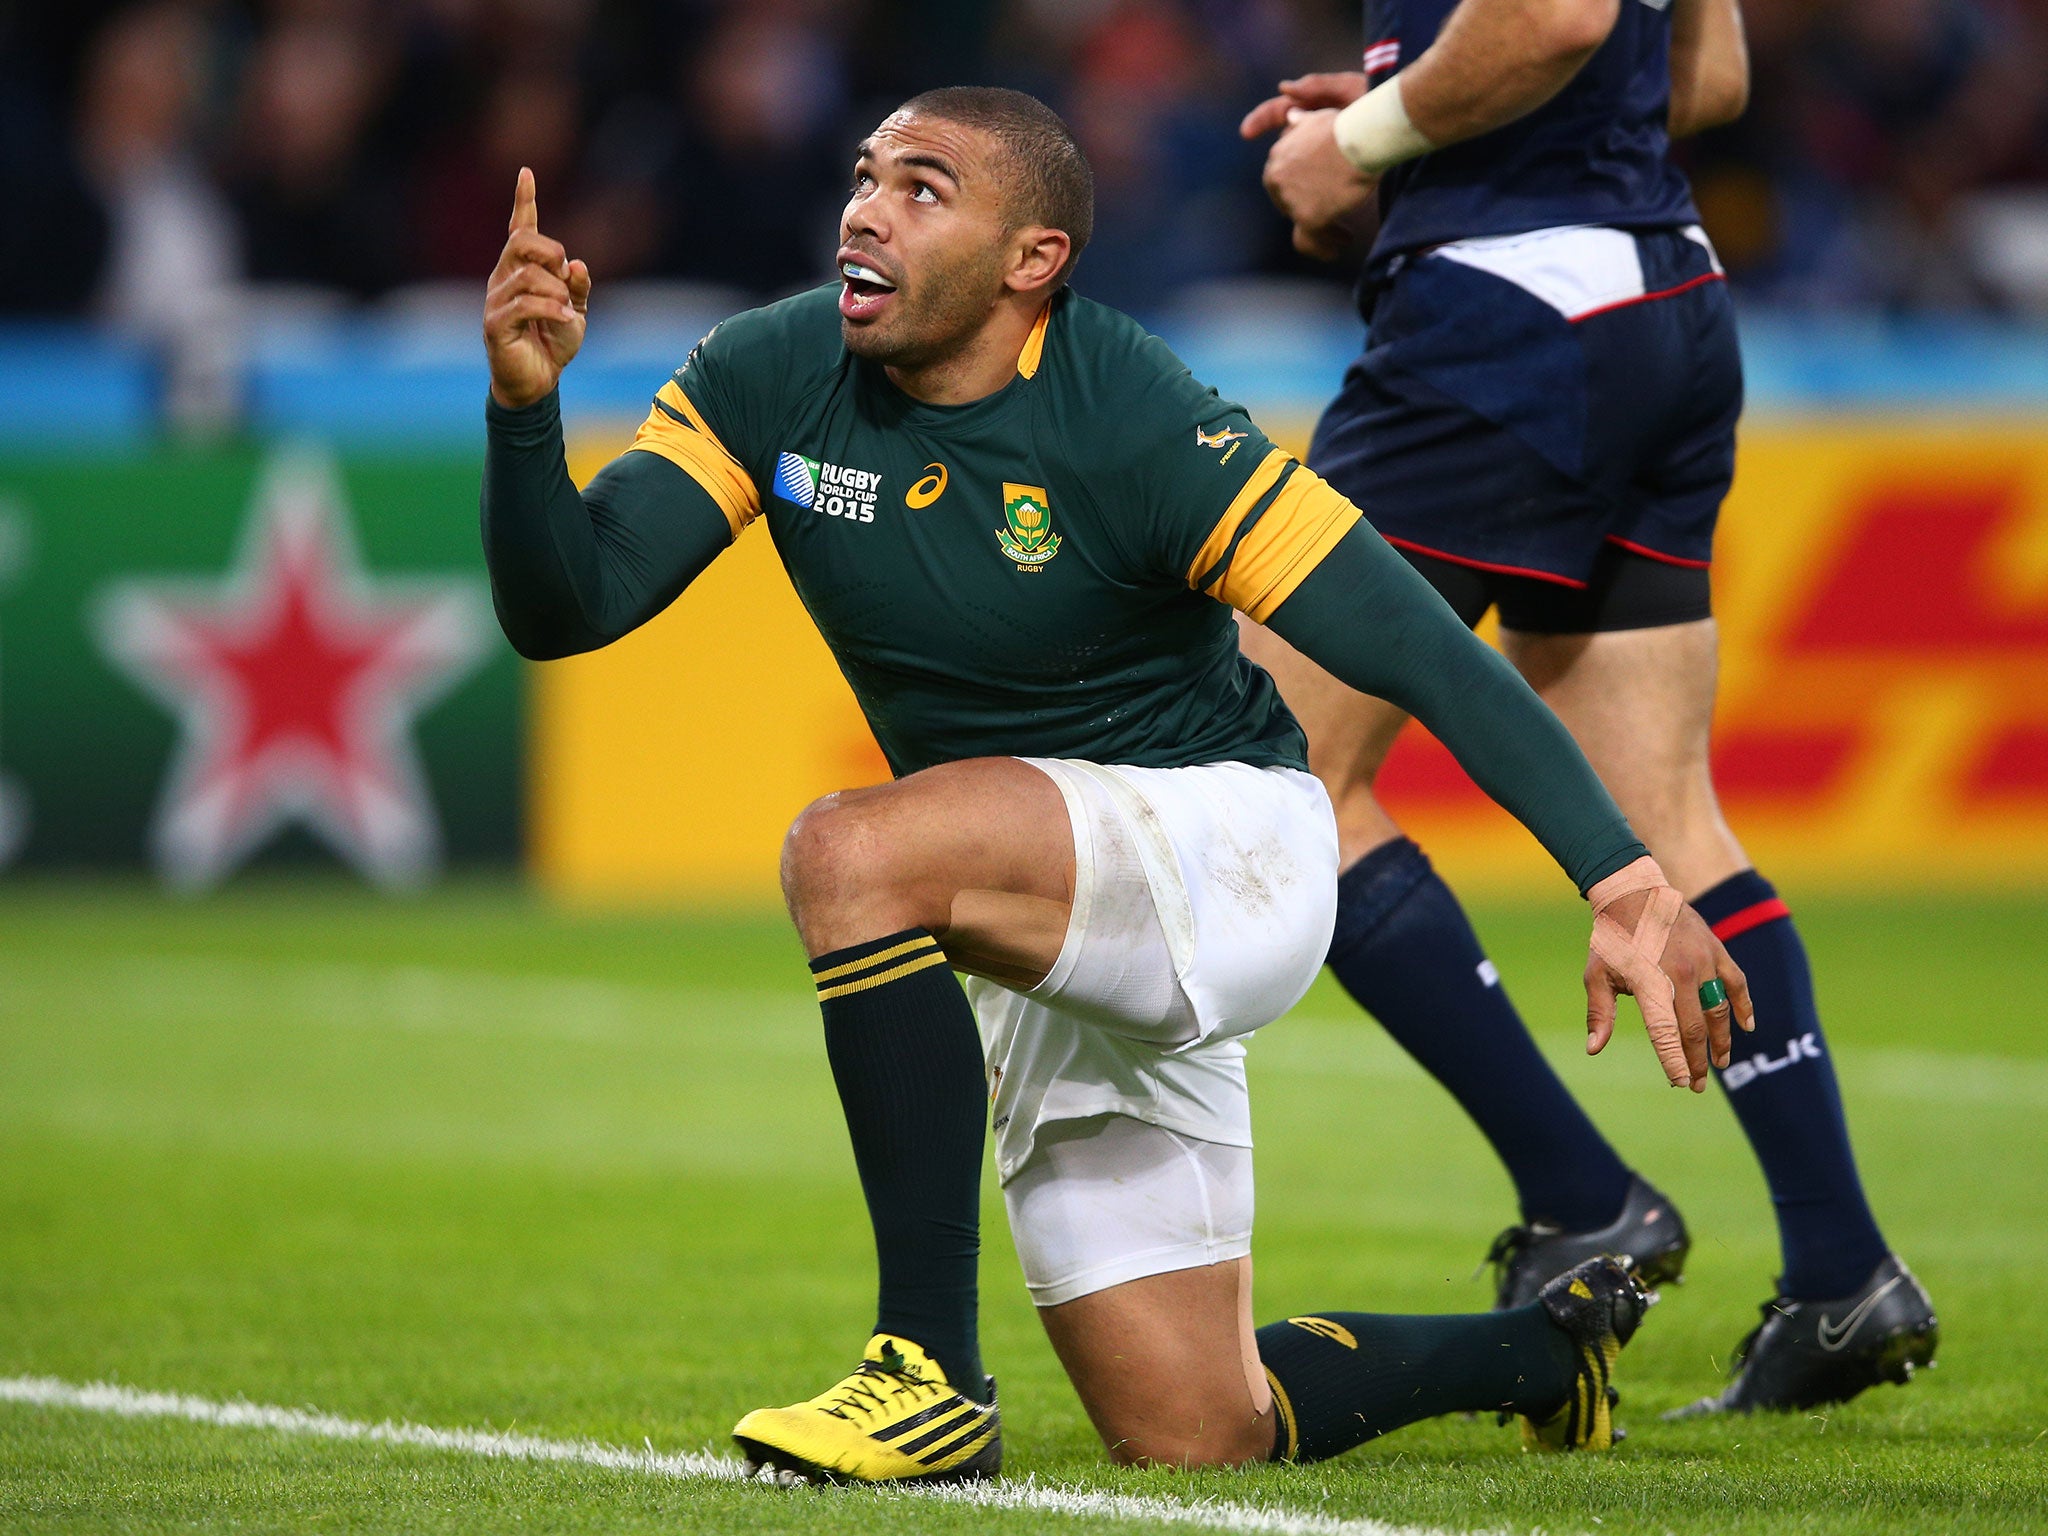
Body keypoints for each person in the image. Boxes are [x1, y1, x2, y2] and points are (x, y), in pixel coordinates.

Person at [478, 86, 1748, 1480]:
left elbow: (1423, 654)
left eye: (922, 186)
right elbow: (570, 606)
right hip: (1049, 897)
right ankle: (1538, 1354)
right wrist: (525, 414)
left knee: (849, 852)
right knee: (1197, 1432)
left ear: (1034, 263)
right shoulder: (767, 376)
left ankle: (925, 1376)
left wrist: (1623, 877)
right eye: (863, 177)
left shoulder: (1135, 415)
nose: (864, 209)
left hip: (1227, 848)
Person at [1239, 0, 1937, 1416]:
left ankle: (1582, 1198)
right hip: (1662, 290)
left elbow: (1550, 16)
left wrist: (1371, 139)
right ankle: (1842, 1274)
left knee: (1264, 771)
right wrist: (1439, 96)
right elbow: (1709, 72)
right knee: (1671, 814)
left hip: (1505, 316)